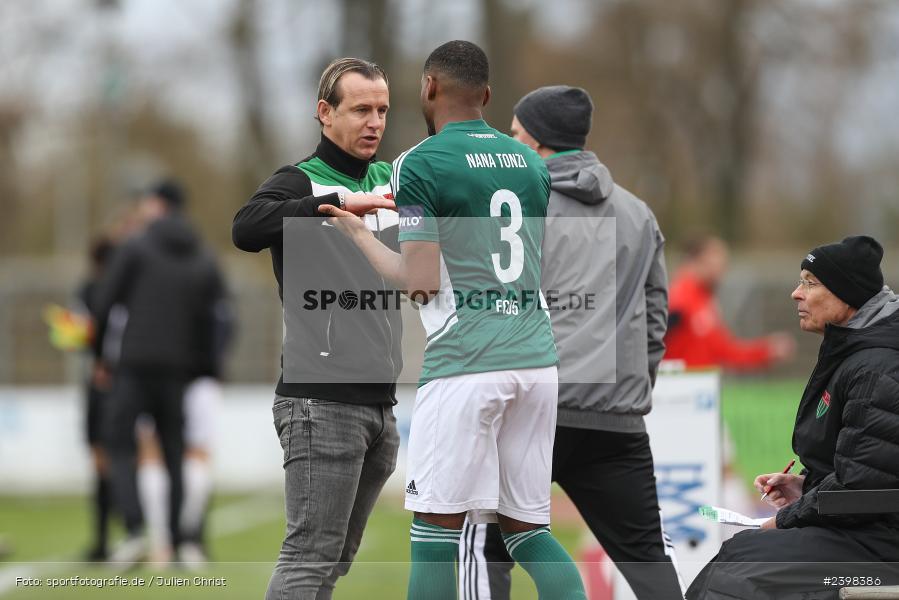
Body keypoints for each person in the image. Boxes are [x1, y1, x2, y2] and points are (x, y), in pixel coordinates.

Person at [320, 41, 586, 600]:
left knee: (434, 532)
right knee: (528, 531)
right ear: (487, 96)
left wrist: (359, 235)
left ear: (428, 89)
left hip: (466, 362)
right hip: (537, 362)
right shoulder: (533, 164)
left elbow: (421, 279)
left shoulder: (420, 161)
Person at [455, 85, 684, 600]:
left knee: (488, 550)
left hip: (535, 410)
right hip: (615, 420)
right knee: (647, 560)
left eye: (515, 135)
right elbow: (654, 319)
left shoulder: (513, 207)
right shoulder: (638, 213)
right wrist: (630, 388)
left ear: (536, 142)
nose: (509, 145)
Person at [232, 57, 402, 600]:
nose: (374, 121)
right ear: (324, 113)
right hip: (321, 402)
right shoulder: (299, 179)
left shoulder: (391, 178)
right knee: (308, 561)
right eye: (360, 109)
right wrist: (332, 203)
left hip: (380, 404)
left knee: (331, 566)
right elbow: (245, 228)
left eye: (381, 110)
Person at [686, 235, 899, 599]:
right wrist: (806, 487)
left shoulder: (877, 368)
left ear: (846, 295)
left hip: (880, 549)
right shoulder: (855, 354)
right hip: (862, 533)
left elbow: (859, 490)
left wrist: (785, 518)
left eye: (810, 283)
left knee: (741, 570)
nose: (796, 294)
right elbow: (865, 472)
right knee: (739, 556)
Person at [92, 180, 226, 566]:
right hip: (179, 371)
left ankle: (134, 526)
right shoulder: (202, 256)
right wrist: (204, 367)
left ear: (158, 206)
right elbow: (214, 317)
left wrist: (101, 355)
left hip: (134, 364)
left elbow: (105, 301)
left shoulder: (136, 247)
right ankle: (176, 539)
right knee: (174, 453)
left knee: (119, 442)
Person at [664, 235, 795, 370]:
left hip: (699, 386)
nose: (722, 270)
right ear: (697, 261)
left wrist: (767, 351)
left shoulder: (703, 299)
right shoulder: (680, 297)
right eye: (717, 261)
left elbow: (724, 350)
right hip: (679, 386)